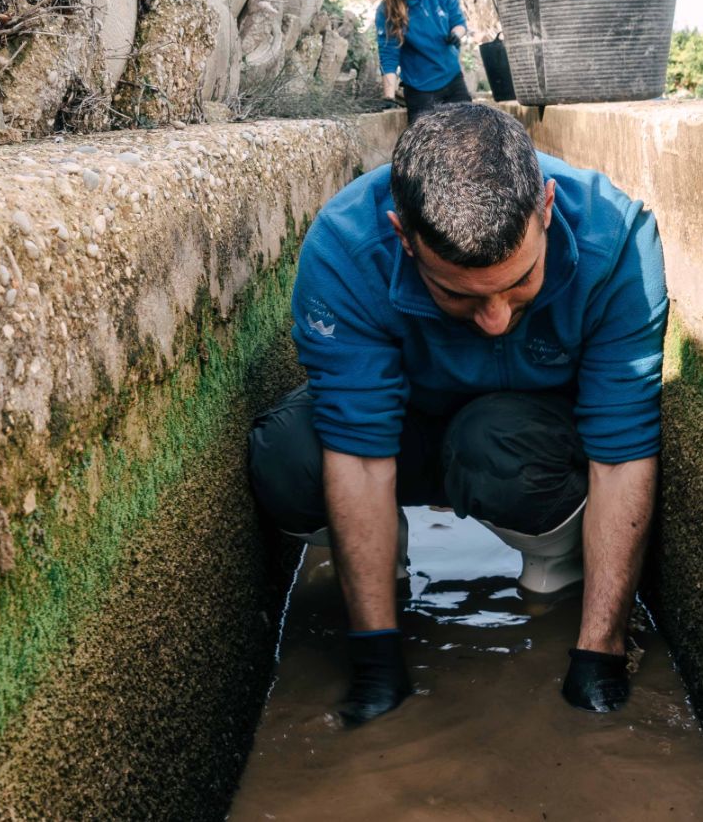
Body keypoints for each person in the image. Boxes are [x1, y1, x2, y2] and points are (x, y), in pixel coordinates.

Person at [248, 103, 669, 727]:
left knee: (491, 444)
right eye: (458, 294)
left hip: (524, 446)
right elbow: (360, 457)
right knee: (287, 460)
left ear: (547, 208)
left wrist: (600, 649)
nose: (495, 319)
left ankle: (553, 567)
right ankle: (379, 569)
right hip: (405, 431)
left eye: (519, 282)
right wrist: (374, 656)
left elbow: (622, 454)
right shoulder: (344, 249)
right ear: (402, 237)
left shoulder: (619, 244)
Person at [375, 0, 473, 121]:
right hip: (420, 90)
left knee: (471, 136)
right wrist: (389, 97)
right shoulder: (386, 11)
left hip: (452, 79)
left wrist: (456, 34)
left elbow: (459, 23)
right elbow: (389, 57)